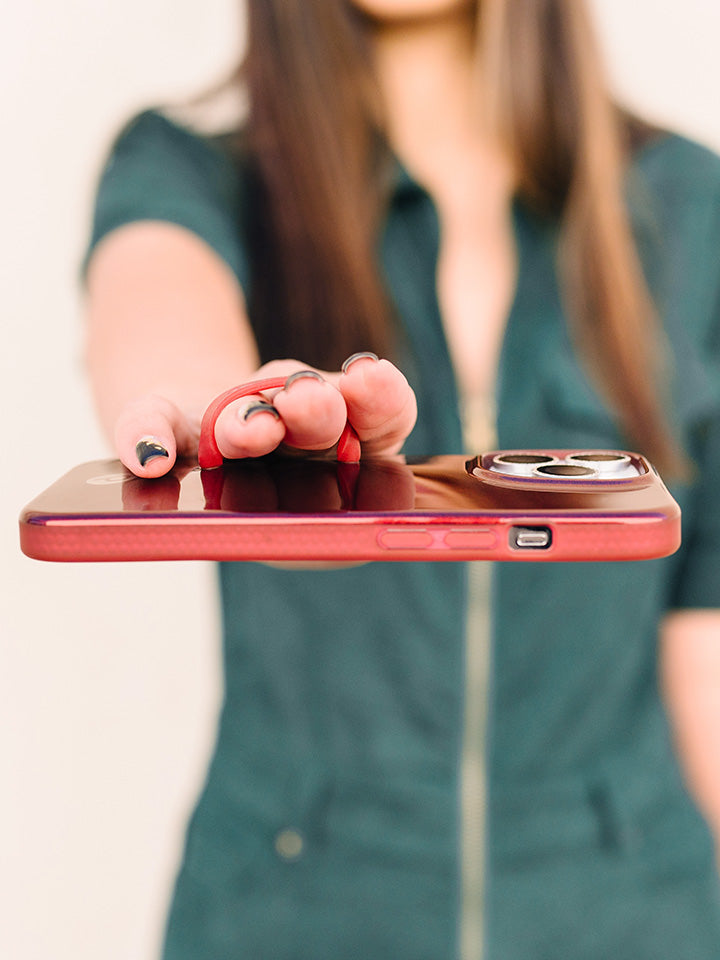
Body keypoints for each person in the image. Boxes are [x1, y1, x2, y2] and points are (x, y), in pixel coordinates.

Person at [83, 1, 720, 958]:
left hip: (628, 913)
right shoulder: (187, 166)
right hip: (286, 916)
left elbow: (705, 633)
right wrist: (215, 413)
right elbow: (157, 296)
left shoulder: (688, 205)